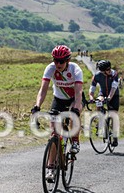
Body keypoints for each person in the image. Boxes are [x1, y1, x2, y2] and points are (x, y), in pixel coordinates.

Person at [31, 45, 84, 183]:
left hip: (74, 99)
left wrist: (77, 109)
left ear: (67, 60)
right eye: (56, 60)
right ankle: (50, 168)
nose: (58, 64)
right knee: (54, 133)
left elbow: (78, 93)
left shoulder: (75, 70)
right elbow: (43, 90)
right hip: (59, 100)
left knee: (73, 116)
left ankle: (75, 142)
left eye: (61, 61)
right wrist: (37, 106)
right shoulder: (50, 68)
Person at [88, 59, 121, 147]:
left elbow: (114, 87)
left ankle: (115, 137)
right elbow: (92, 87)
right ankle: (100, 122)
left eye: (110, 69)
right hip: (103, 93)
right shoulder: (97, 75)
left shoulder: (114, 74)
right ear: (102, 71)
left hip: (114, 95)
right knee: (98, 101)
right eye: (107, 70)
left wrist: (109, 97)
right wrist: (91, 97)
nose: (110, 71)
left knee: (113, 115)